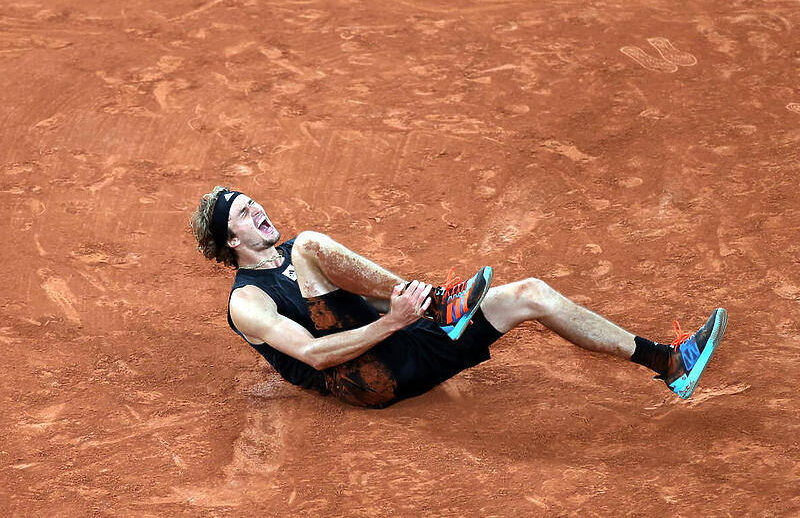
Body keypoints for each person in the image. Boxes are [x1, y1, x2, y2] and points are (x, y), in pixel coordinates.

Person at [190, 186, 727, 408]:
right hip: (364, 378)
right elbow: (312, 354)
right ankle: (438, 303)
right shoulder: (247, 300)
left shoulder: (299, 260)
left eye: (253, 200)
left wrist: (401, 316)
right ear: (231, 240)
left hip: (399, 341)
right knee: (308, 243)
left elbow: (365, 305)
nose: (257, 209)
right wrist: (395, 319)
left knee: (530, 294)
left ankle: (669, 361)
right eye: (243, 212)